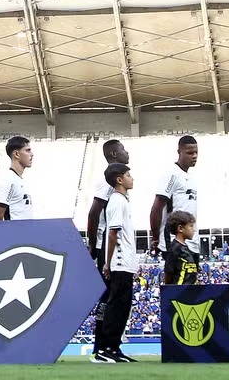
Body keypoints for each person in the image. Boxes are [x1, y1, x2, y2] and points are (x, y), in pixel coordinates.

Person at [85, 139, 129, 360]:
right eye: (123, 149)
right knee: (111, 299)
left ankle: (106, 346)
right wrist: (93, 246)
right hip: (106, 247)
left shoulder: (117, 185)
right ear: (113, 153)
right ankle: (103, 346)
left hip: (107, 247)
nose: (127, 152)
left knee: (109, 298)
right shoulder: (108, 184)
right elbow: (93, 213)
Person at [98, 163, 137, 363]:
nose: (132, 178)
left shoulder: (122, 200)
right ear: (119, 180)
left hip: (125, 263)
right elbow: (112, 233)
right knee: (116, 306)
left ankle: (114, 348)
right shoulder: (116, 201)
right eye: (128, 175)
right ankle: (105, 349)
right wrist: (108, 262)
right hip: (119, 263)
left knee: (123, 307)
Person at [149, 136, 200, 263]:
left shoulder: (190, 177)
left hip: (191, 243)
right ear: (179, 152)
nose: (194, 156)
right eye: (189, 153)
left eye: (196, 152)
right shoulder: (172, 174)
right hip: (175, 242)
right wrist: (156, 238)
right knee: (177, 281)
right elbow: (157, 207)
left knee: (191, 281)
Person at [0, 136, 34, 220]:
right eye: (27, 150)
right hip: (15, 232)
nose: (32, 154)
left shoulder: (19, 179)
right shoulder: (8, 179)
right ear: (16, 154)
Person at [163, 211, 198, 285]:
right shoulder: (174, 249)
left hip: (191, 292)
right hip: (179, 292)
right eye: (191, 226)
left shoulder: (187, 249)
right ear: (180, 228)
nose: (194, 230)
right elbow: (168, 273)